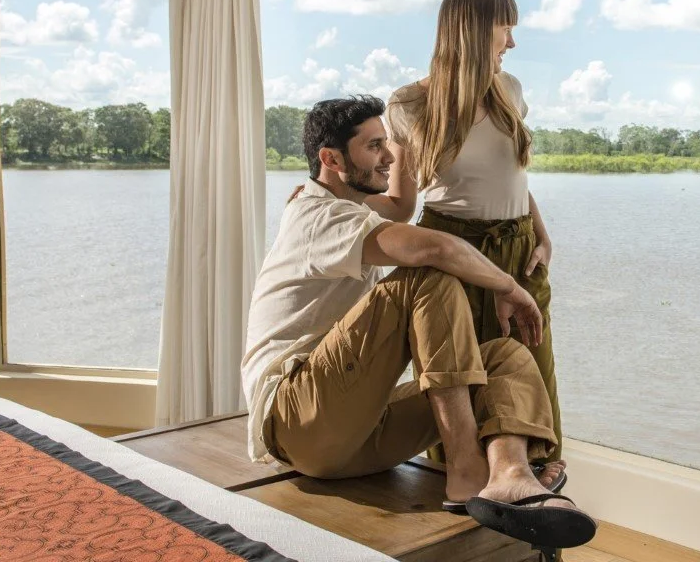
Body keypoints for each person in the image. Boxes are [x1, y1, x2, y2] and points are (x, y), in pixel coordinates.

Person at [242, 95, 594, 552]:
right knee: (426, 276)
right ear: (330, 159)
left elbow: (402, 208)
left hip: (357, 439)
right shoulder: (316, 215)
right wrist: (510, 287)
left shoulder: (353, 209)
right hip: (295, 421)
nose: (389, 157)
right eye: (374, 146)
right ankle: (466, 469)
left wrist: (404, 138)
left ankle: (511, 473)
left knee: (506, 355)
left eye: (386, 143)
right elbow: (435, 248)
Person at [377, 0, 565, 467]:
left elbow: (513, 179)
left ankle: (534, 498)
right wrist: (328, 194)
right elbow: (399, 204)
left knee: (533, 382)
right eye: (506, 28)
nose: (512, 42)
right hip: (451, 253)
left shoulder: (510, 90)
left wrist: (543, 237)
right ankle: (462, 491)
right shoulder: (407, 104)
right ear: (475, 30)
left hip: (519, 252)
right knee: (461, 385)